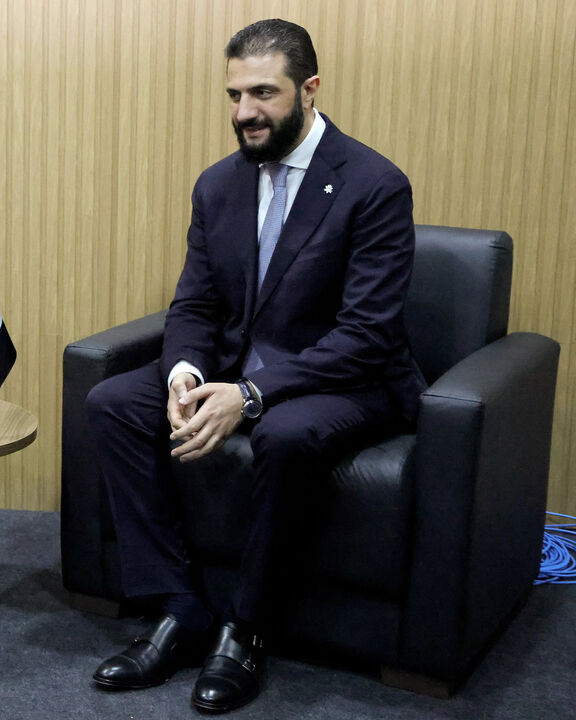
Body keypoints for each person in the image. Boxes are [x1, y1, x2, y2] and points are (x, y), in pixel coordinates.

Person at [86, 19, 424, 714]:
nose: (245, 113)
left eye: (263, 94)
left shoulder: (374, 185)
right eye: (235, 95)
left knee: (284, 434)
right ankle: (180, 608)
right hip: (239, 365)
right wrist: (183, 371)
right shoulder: (218, 186)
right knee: (115, 401)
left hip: (345, 376)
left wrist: (250, 394)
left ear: (310, 89)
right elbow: (195, 304)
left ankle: (248, 629)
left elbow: (365, 335)